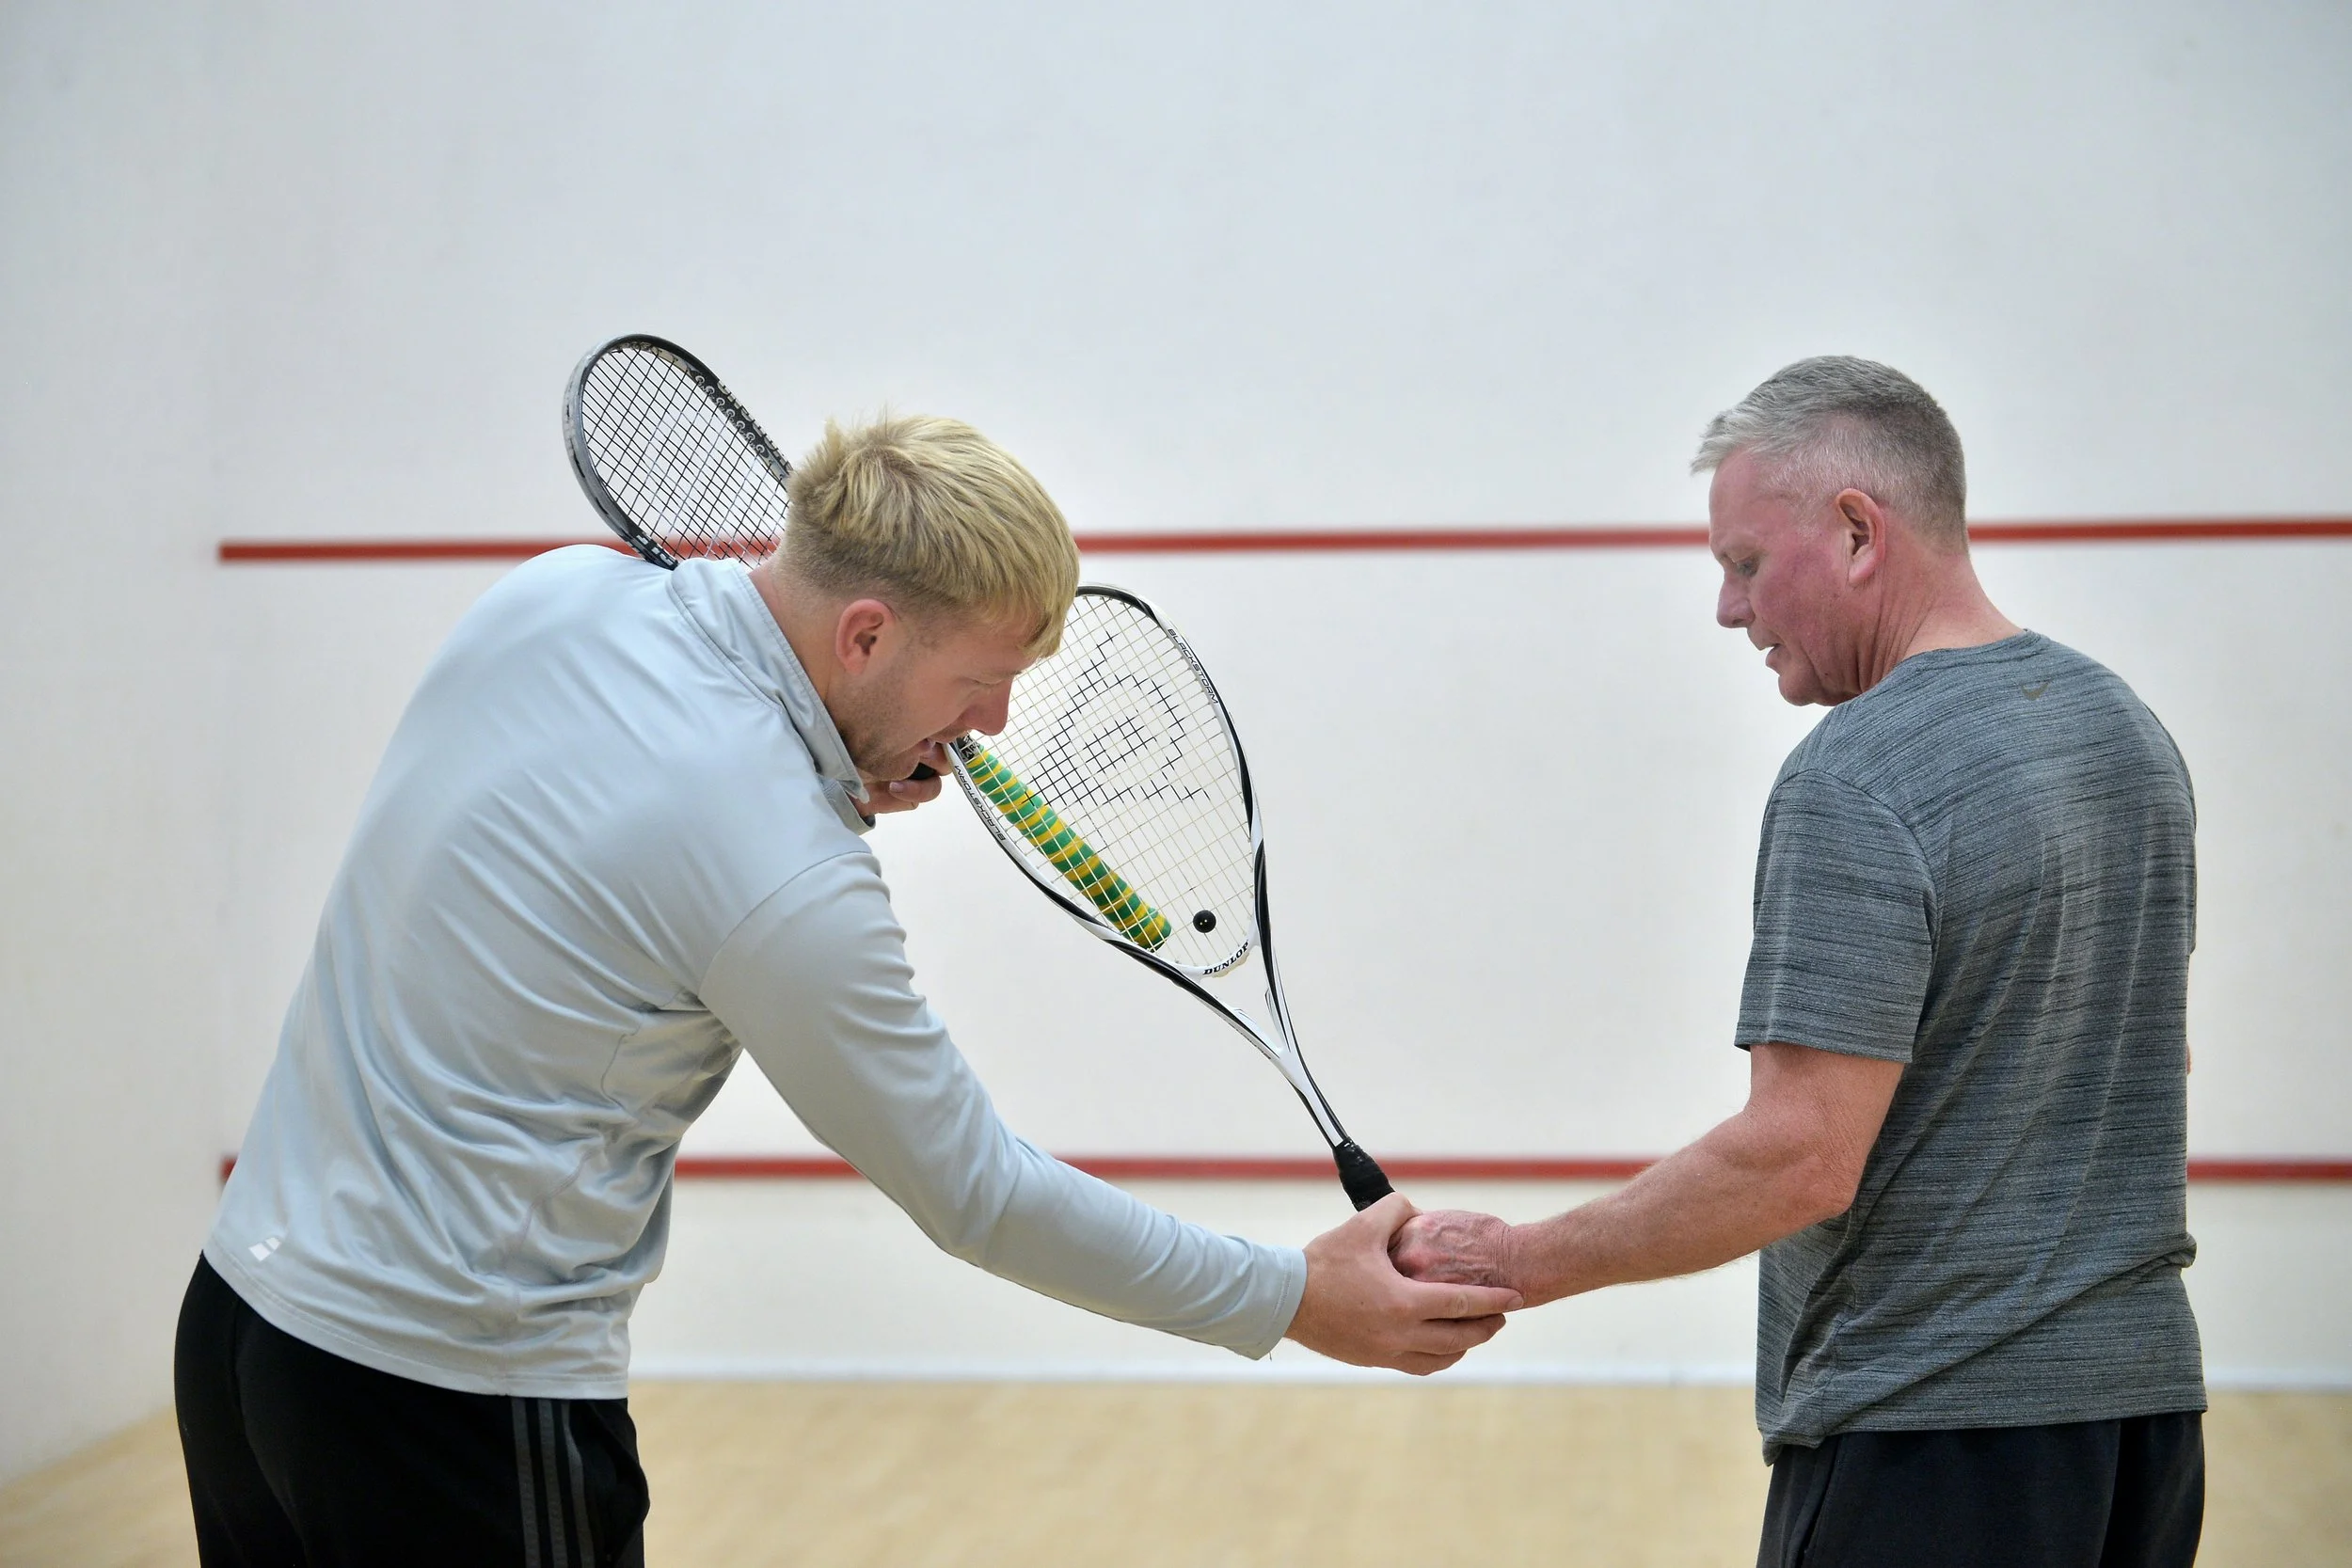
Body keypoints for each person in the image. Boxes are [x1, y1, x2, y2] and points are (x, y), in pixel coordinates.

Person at [177, 413, 1518, 1567]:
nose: (992, 727)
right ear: (867, 629)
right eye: (982, 682)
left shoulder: (554, 593)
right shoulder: (785, 871)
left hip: (244, 1330)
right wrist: (1288, 1294)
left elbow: (642, 798)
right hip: (449, 1405)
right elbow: (976, 1191)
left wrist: (817, 761)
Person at [1395, 357, 2205, 1566]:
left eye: (1743, 563)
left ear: (1856, 529)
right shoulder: (2122, 728)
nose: (1729, 609)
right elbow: (2152, 1059)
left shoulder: (1857, 771)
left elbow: (1799, 1155)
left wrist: (1522, 1261)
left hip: (1937, 1446)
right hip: (2144, 1433)